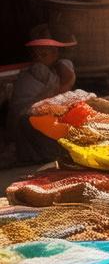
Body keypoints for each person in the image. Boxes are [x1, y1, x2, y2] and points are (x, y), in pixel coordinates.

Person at [6, 27, 77, 165]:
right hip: (23, 122)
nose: (38, 58)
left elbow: (67, 76)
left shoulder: (59, 67)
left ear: (55, 54)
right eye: (36, 55)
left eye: (44, 54)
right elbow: (61, 91)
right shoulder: (36, 71)